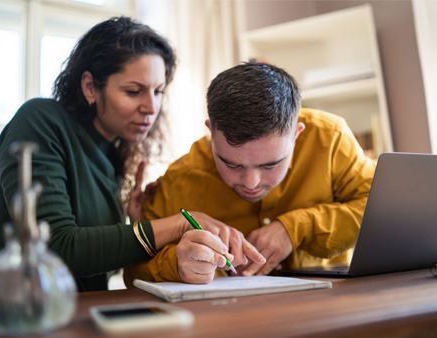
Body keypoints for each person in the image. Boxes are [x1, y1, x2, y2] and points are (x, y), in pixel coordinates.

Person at [0, 17, 264, 292]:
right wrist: (176, 224)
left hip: (79, 317)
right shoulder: (40, 121)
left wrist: (135, 220)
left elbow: (98, 266)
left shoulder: (113, 156)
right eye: (134, 91)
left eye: (158, 92)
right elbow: (56, 248)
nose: (151, 107)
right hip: (17, 315)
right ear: (90, 87)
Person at [123, 60, 376, 285]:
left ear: (297, 134)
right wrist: (176, 265)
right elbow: (134, 271)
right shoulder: (180, 179)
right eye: (232, 164)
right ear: (212, 131)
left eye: (270, 165)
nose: (251, 183)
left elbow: (379, 209)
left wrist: (296, 228)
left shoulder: (330, 138)